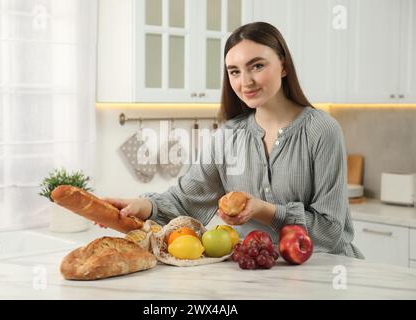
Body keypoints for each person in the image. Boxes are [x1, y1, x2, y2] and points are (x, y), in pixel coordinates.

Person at [103, 22, 363, 259]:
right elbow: (185, 202)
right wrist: (143, 206)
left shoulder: (322, 130)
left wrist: (264, 211)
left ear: (283, 66)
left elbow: (330, 231)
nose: (245, 81)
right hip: (259, 273)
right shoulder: (228, 136)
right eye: (234, 71)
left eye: (257, 66)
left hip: (325, 271)